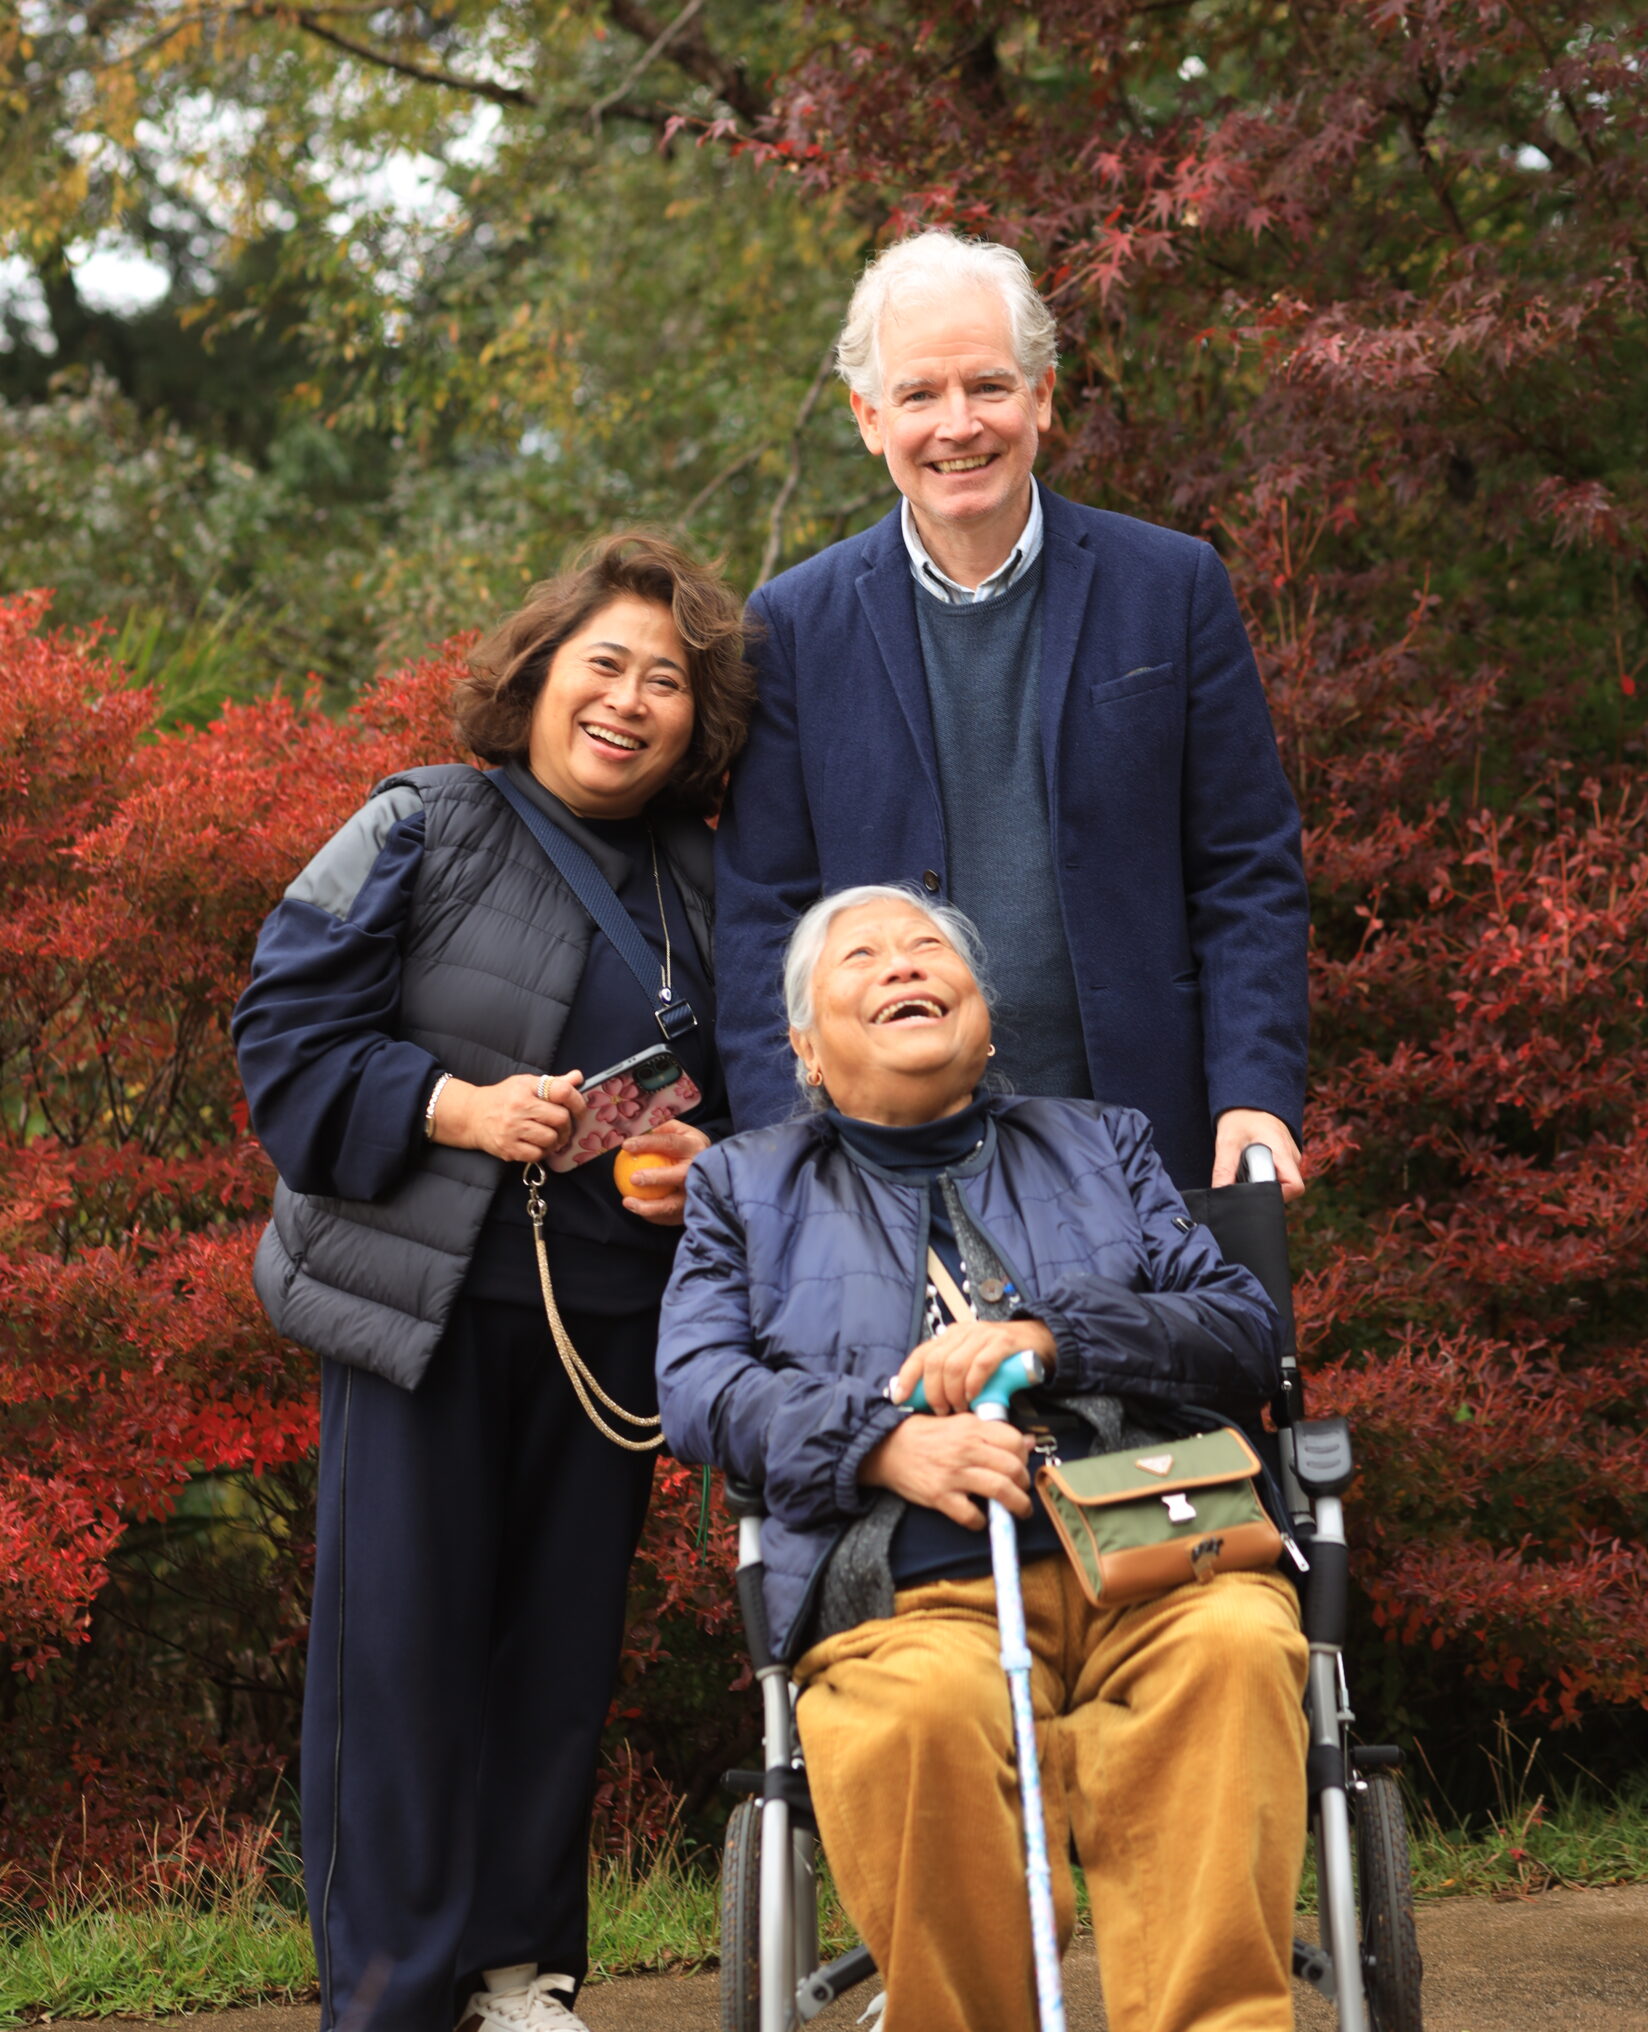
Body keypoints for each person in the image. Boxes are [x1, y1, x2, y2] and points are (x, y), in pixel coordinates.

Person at [233, 534, 755, 2032]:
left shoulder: (704, 880)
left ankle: (519, 1974)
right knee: (399, 1667)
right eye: (604, 664)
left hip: (613, 1327)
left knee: (555, 1665)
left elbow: (748, 1092)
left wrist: (695, 1163)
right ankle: (388, 1995)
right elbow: (282, 1038)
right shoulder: (419, 822)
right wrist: (453, 1107)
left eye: (666, 681)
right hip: (427, 1313)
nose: (630, 700)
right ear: (533, 677)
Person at [657, 885, 1308, 2032]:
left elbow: (1243, 1324)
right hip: (907, 1590)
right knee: (917, 1717)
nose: (904, 965)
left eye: (928, 950)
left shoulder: (1104, 1143)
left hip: (1154, 1556)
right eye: (861, 955)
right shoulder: (742, 1187)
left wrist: (1057, 1332)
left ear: (987, 1025)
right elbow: (700, 1389)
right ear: (804, 1047)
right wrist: (884, 1442)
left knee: (1238, 1645)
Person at [714, 228, 1309, 1194]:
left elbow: (1245, 868)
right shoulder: (792, 627)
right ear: (869, 418)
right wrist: (790, 1153)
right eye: (918, 395)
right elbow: (760, 922)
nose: (958, 425)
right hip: (883, 1166)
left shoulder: (1171, 587)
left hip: (1147, 1140)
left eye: (988, 386)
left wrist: (1254, 1090)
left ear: (1039, 396)